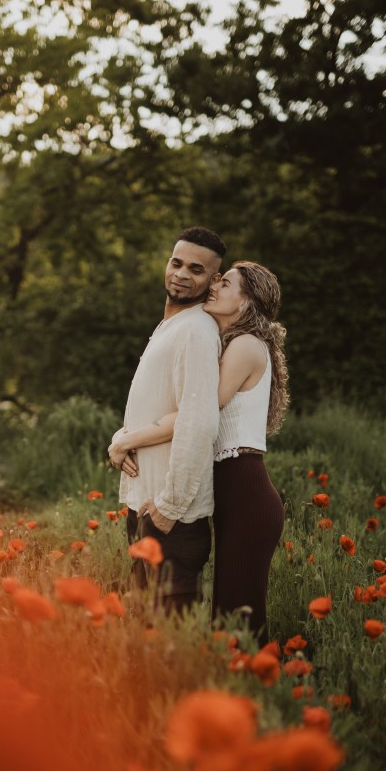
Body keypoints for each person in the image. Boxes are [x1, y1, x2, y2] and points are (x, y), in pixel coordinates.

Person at [110, 260, 288, 642]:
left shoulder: (245, 346)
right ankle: (244, 690)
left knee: (239, 620)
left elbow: (197, 413)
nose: (215, 287)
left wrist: (127, 439)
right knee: (229, 618)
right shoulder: (232, 344)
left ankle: (260, 692)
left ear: (244, 304)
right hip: (234, 493)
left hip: (246, 492)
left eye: (226, 284)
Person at [108, 226, 226, 612]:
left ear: (213, 280)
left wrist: (172, 505)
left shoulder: (197, 330)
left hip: (169, 514)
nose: (180, 274)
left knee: (169, 638)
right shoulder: (171, 326)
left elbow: (200, 419)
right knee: (144, 630)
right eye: (176, 263)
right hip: (148, 503)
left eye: (195, 269)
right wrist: (122, 438)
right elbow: (162, 407)